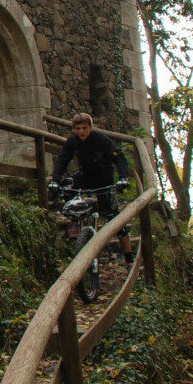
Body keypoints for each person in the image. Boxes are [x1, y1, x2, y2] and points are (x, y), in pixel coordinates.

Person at [49, 113, 134, 273]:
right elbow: (62, 160)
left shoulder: (101, 140)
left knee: (114, 219)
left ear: (90, 127)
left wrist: (123, 178)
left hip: (104, 179)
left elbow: (119, 157)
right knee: (67, 184)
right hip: (86, 176)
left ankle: (129, 258)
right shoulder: (72, 141)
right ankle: (74, 220)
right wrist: (55, 180)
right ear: (74, 129)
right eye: (78, 128)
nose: (81, 131)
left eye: (84, 128)